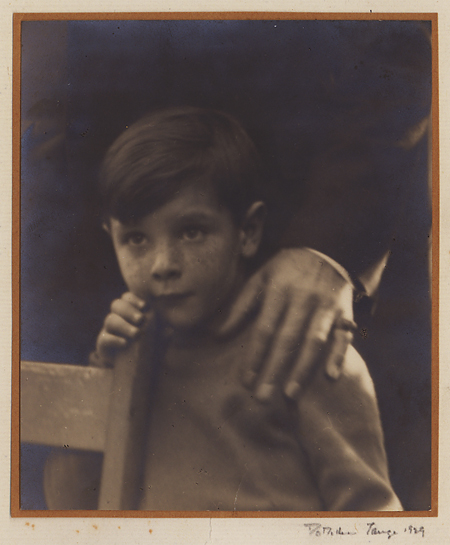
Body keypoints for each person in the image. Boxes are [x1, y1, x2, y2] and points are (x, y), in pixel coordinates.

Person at [44, 107, 401, 511]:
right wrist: (105, 377)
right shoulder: (131, 351)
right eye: (137, 239)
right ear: (111, 237)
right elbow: (68, 503)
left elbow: (372, 517)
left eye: (191, 232)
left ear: (247, 232)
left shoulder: (306, 351)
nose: (163, 265)